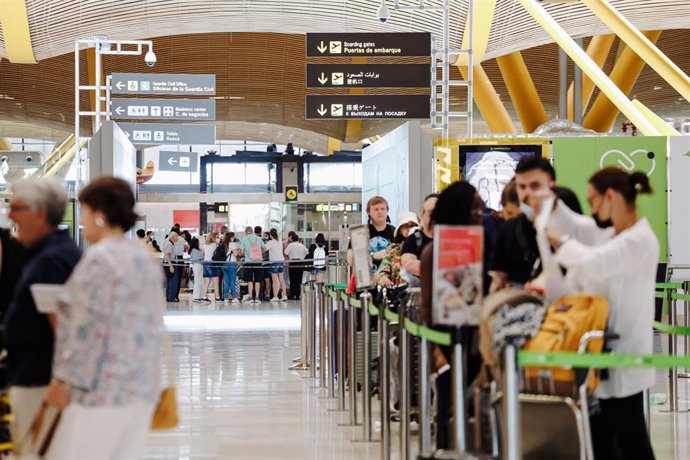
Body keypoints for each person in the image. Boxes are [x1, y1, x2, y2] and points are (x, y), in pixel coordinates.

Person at [43, 176, 162, 459]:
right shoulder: (144, 256)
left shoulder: (99, 259)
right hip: (141, 385)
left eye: (84, 212)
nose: (81, 221)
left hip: (101, 389)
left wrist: (61, 382)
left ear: (99, 215)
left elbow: (85, 330)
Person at [542, 167, 657, 460]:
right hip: (604, 356)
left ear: (611, 196)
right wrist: (552, 205)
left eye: (593, 200)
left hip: (624, 356)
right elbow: (581, 227)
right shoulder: (614, 235)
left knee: (631, 443)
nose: (591, 208)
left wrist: (561, 242)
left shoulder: (637, 240)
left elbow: (594, 262)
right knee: (605, 440)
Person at [4, 177, 81, 454]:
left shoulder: (51, 262)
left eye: (17, 207)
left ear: (39, 212)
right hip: (38, 377)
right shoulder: (50, 255)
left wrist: (60, 382)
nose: (10, 215)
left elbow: (65, 327)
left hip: (42, 383)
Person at [419, 181, 484, 450]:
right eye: (475, 208)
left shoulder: (483, 243)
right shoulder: (434, 252)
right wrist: (433, 349)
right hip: (446, 337)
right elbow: (427, 305)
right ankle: (446, 447)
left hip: (477, 338)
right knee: (448, 400)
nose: (480, 214)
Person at [489, 156, 556, 293]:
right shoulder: (507, 230)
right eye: (522, 187)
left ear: (552, 185)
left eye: (535, 185)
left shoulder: (570, 225)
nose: (527, 193)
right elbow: (498, 280)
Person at [347, 196, 395, 271]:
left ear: (387, 210)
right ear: (368, 212)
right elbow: (351, 260)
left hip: (390, 279)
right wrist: (373, 256)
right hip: (366, 279)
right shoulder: (359, 233)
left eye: (383, 209)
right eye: (376, 209)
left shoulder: (395, 232)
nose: (380, 212)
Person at [377, 211, 419, 287]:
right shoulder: (392, 249)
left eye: (413, 226)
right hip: (397, 293)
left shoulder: (423, 247)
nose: (409, 229)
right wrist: (385, 281)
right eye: (406, 226)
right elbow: (382, 272)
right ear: (400, 230)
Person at [401, 194, 438, 279]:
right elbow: (408, 265)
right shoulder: (413, 239)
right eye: (430, 212)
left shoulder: (448, 239)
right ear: (422, 215)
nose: (433, 217)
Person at [239, 225, 267, 303]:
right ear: (252, 231)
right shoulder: (259, 238)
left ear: (246, 232)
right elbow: (264, 249)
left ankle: (251, 297)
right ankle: (257, 297)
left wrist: (244, 253)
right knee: (258, 280)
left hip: (248, 262)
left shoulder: (244, 239)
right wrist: (258, 254)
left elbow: (241, 253)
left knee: (250, 280)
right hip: (258, 262)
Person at [265, 229, 288, 301]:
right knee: (281, 279)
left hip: (274, 262)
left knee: (275, 280)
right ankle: (284, 295)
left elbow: (264, 250)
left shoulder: (270, 242)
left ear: (270, 235)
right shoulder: (279, 241)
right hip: (281, 261)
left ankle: (275, 296)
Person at [284, 233, 308, 300]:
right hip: (300, 263)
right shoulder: (302, 245)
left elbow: (285, 253)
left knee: (292, 279)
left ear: (292, 239)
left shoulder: (290, 245)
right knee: (299, 279)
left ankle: (292, 295)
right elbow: (307, 252)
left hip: (293, 262)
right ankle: (298, 295)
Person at [221, 232, 240, 303]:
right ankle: (234, 297)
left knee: (226, 282)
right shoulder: (232, 244)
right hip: (231, 264)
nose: (234, 238)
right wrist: (238, 250)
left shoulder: (224, 244)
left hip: (224, 265)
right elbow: (235, 254)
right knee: (232, 281)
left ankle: (225, 298)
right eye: (234, 236)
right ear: (231, 237)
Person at [202, 232, 221, 301]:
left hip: (205, 263)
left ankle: (204, 297)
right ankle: (217, 297)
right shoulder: (215, 245)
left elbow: (203, 254)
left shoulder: (205, 245)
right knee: (216, 281)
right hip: (211, 263)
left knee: (206, 281)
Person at [163, 231, 180, 302]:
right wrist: (171, 266)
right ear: (173, 237)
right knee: (172, 281)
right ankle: (170, 297)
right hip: (170, 263)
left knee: (170, 281)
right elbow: (167, 255)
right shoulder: (169, 244)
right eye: (177, 237)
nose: (178, 238)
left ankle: (169, 297)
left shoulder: (170, 243)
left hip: (169, 263)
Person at [189, 237, 206, 302]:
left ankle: (197, 296)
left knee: (197, 281)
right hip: (198, 266)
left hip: (196, 266)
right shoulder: (195, 251)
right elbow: (201, 258)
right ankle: (197, 297)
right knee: (198, 281)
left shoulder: (192, 250)